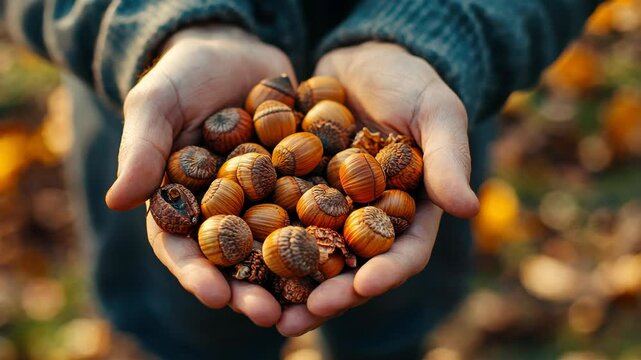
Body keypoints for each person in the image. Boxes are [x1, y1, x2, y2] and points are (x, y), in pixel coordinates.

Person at [1, 1, 601, 359]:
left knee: (391, 326)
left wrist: (447, 25)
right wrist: (152, 20)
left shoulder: (329, 174)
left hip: (419, 84)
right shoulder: (251, 173)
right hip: (146, 95)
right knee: (183, 337)